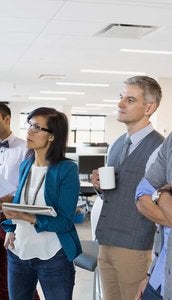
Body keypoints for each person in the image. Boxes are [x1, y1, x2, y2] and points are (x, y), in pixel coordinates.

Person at [90, 75, 164, 300]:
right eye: (121, 97)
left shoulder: (159, 149)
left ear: (149, 107)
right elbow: (116, 191)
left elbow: (161, 203)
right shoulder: (117, 142)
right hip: (106, 242)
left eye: (130, 100)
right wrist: (100, 187)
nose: (120, 104)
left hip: (136, 247)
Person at [1, 107, 82, 300]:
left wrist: (29, 218)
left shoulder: (67, 169)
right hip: (19, 252)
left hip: (53, 255)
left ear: (52, 136)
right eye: (29, 126)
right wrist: (10, 228)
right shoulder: (25, 165)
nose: (29, 131)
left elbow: (65, 222)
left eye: (37, 127)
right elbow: (21, 203)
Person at [0, 101, 33, 300]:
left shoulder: (26, 149)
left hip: (15, 220)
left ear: (7, 119)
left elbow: (32, 185)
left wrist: (12, 198)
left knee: (23, 283)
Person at [135, 133, 172, 300]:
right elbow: (142, 194)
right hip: (158, 281)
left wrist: (161, 196)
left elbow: (152, 194)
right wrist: (151, 275)